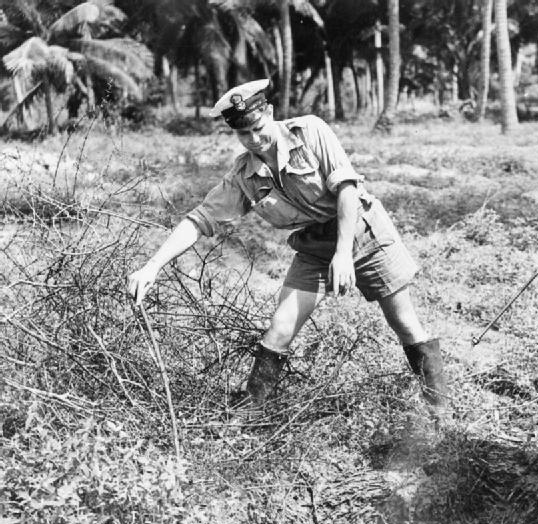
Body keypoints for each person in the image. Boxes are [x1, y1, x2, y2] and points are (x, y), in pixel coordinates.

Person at [127, 79, 450, 426]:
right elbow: (199, 219)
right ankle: (248, 416)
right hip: (313, 246)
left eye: (258, 127)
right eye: (244, 134)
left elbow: (346, 188)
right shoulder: (243, 175)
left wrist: (343, 254)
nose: (254, 139)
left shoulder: (310, 131)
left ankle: (441, 414)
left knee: (404, 323)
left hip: (362, 230)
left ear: (270, 112)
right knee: (279, 329)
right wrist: (152, 267)